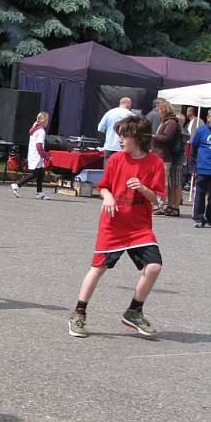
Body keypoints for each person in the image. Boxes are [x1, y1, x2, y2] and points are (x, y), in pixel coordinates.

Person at [68, 115, 165, 338]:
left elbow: (158, 199)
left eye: (124, 135)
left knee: (154, 267)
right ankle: (78, 313)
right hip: (113, 226)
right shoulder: (115, 160)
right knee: (98, 269)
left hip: (139, 227)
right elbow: (102, 186)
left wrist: (142, 188)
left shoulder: (155, 163)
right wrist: (108, 196)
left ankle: (134, 311)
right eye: (118, 135)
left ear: (138, 137)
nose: (119, 140)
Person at [10, 112, 52, 199]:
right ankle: (17, 185)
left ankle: (39, 193)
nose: (48, 121)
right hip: (37, 155)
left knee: (41, 172)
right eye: (47, 119)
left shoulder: (35, 129)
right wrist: (46, 156)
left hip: (33, 154)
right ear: (44, 120)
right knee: (35, 174)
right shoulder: (41, 131)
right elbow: (39, 146)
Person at [151, 99, 181, 216]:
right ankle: (160, 205)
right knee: (159, 181)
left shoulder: (171, 123)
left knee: (163, 183)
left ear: (164, 110)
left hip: (164, 156)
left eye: (159, 109)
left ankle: (160, 206)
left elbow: (167, 138)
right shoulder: (165, 122)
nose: (158, 112)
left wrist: (153, 136)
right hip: (159, 155)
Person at [190, 108, 211, 227]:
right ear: (208, 118)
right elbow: (193, 149)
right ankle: (198, 217)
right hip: (202, 167)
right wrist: (193, 167)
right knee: (200, 194)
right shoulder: (201, 130)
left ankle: (210, 218)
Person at [97, 97, 133, 165]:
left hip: (109, 146)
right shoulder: (131, 115)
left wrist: (110, 134)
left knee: (108, 170)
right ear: (128, 104)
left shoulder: (109, 113)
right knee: (121, 170)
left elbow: (100, 128)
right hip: (124, 148)